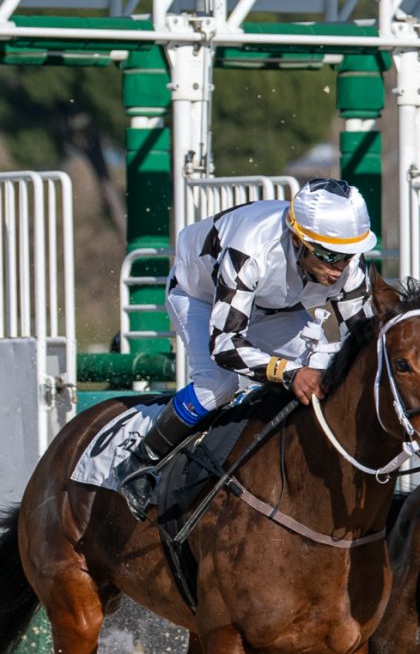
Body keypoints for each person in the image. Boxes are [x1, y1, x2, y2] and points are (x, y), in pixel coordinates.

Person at [116, 179, 378, 517]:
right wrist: (289, 373)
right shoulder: (250, 249)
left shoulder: (346, 268)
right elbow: (225, 345)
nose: (340, 267)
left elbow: (364, 342)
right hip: (200, 298)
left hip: (275, 309)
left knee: (324, 365)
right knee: (219, 384)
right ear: (299, 241)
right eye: (330, 256)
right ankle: (140, 463)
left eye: (349, 255)